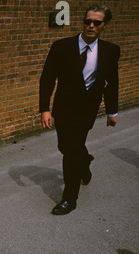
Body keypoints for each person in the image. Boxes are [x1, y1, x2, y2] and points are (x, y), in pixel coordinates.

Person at [39, 4, 120, 215]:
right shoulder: (61, 46)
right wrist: (44, 109)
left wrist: (112, 112)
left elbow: (112, 82)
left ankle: (69, 198)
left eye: (96, 22)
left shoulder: (111, 51)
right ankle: (85, 162)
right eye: (87, 21)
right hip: (63, 108)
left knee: (72, 151)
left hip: (87, 110)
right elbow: (47, 78)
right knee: (65, 147)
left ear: (104, 25)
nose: (91, 26)